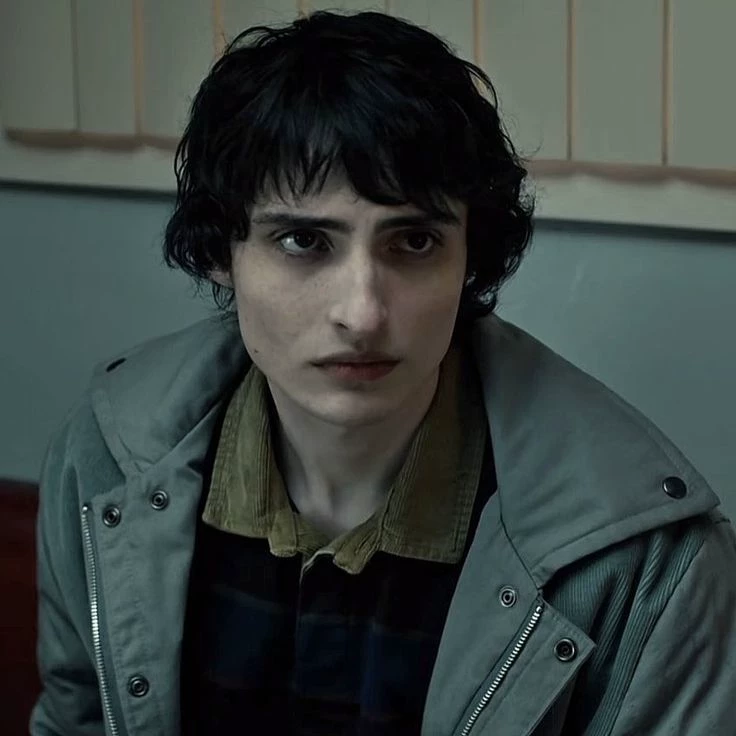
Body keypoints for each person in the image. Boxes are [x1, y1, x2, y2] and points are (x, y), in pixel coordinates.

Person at [31, 9, 736, 736]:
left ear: (470, 257)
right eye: (303, 241)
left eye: (415, 241)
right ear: (221, 252)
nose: (362, 313)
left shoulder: (645, 560)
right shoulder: (104, 460)